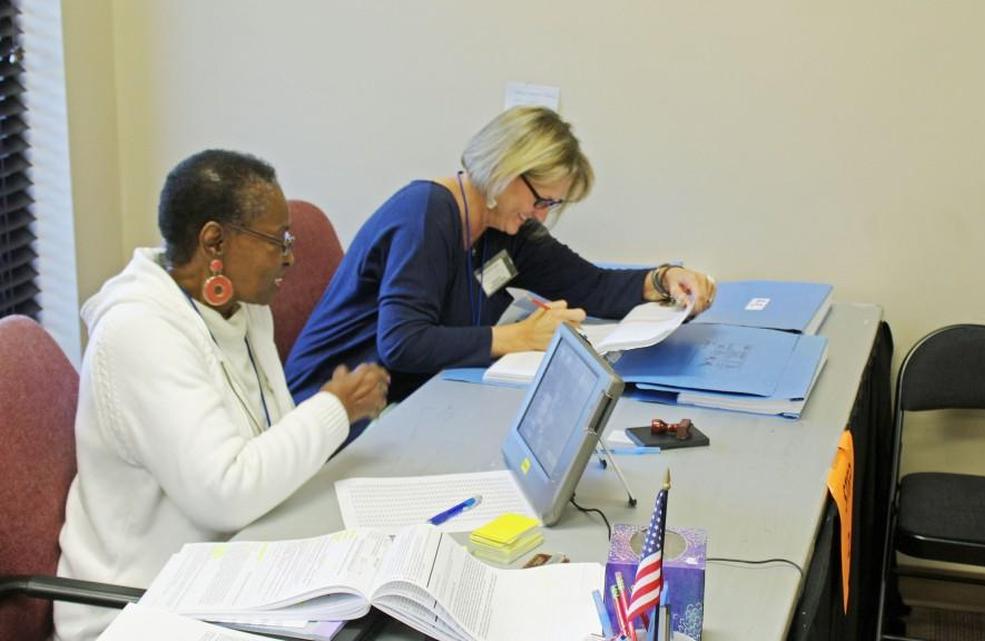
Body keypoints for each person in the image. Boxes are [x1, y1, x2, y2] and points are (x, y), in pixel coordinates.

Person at [54, 150, 389, 641]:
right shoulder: (138, 332)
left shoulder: (243, 304)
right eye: (278, 241)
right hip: (141, 606)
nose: (290, 256)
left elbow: (272, 435)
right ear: (215, 241)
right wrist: (335, 408)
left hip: (233, 565)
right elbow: (225, 494)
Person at [286, 107, 715, 445]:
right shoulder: (427, 214)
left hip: (418, 401)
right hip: (335, 413)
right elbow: (401, 343)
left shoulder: (507, 229)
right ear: (507, 170)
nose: (541, 216)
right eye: (541, 200)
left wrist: (664, 279)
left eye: (552, 205)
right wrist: (520, 337)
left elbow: (592, 286)